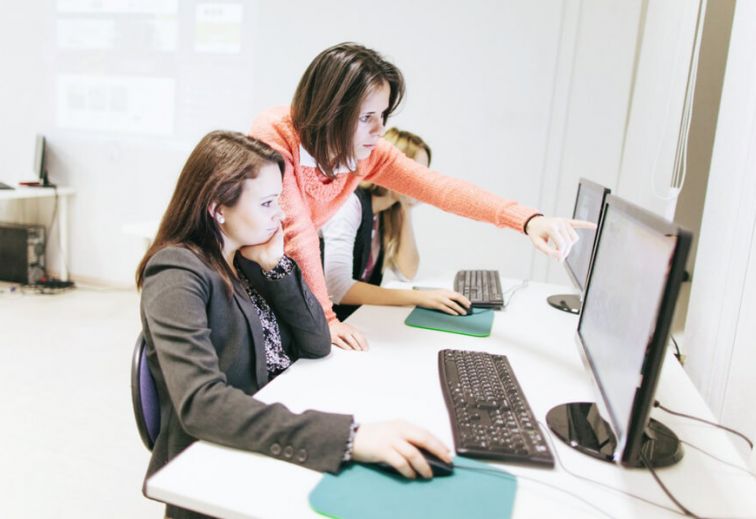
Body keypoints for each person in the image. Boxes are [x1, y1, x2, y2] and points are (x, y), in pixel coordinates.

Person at [135, 131, 452, 519]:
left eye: (279, 201)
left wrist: (277, 266)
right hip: (218, 463)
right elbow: (202, 404)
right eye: (267, 203)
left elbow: (317, 341)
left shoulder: (250, 259)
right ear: (218, 208)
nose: (281, 215)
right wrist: (348, 439)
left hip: (271, 428)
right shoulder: (176, 272)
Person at [250, 42, 592, 351]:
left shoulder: (366, 155)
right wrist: (326, 318)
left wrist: (528, 220)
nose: (380, 130)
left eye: (382, 115)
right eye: (366, 117)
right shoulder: (277, 132)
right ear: (330, 111)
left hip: (283, 281)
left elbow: (439, 188)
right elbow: (297, 230)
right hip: (242, 281)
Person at [322, 127, 470, 320]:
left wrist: (406, 209)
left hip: (353, 320)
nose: (423, 182)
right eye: (414, 171)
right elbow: (337, 287)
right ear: (388, 168)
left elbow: (408, 272)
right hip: (324, 324)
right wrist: (421, 298)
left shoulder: (386, 211)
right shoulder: (350, 204)